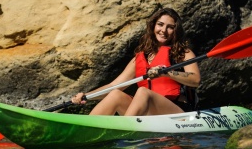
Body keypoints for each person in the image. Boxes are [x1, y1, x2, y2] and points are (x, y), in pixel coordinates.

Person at [72, 8, 201, 116]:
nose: (163, 30)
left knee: (142, 92)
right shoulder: (141, 57)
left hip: (178, 113)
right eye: (160, 24)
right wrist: (86, 96)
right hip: (150, 113)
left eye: (170, 27)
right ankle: (86, 130)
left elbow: (195, 80)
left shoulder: (183, 53)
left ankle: (122, 132)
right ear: (153, 26)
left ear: (175, 31)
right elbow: (114, 85)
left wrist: (166, 73)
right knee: (115, 94)